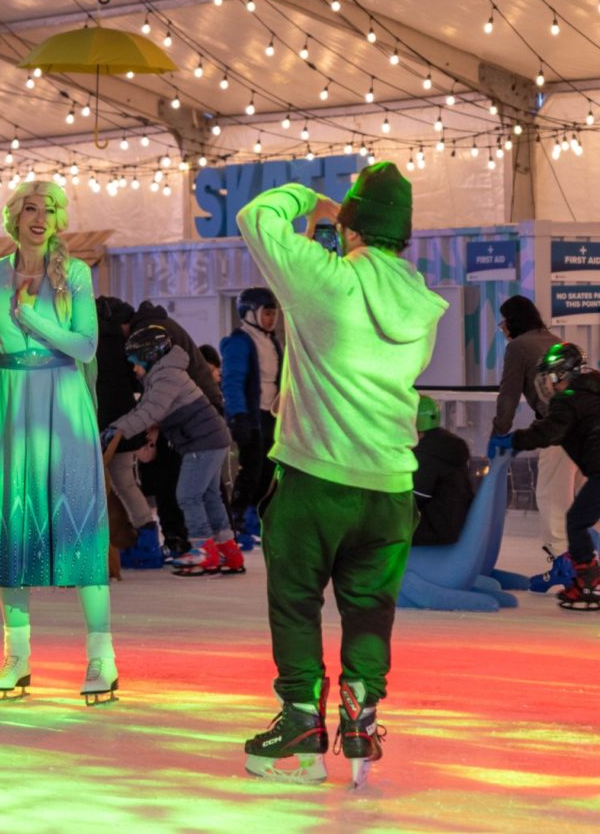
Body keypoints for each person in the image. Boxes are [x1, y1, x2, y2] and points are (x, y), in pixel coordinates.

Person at [237, 163, 447, 787]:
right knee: (369, 611)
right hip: (390, 487)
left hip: (316, 476)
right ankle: (361, 719)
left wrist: (312, 200)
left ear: (350, 223)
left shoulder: (324, 279)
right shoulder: (424, 308)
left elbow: (257, 218)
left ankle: (301, 727)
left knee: (297, 604)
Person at [0, 181, 116, 706]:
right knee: (10, 526)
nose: (40, 217)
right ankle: (17, 657)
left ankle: (102, 655)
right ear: (12, 217)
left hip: (64, 401)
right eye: (31, 208)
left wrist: (30, 317)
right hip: (8, 404)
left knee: (79, 522)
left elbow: (87, 344)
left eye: (49, 210)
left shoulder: (75, 273)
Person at [509, 343, 600, 613]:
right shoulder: (594, 390)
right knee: (590, 501)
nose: (547, 385)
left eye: (550, 378)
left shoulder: (567, 399)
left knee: (559, 502)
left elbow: (548, 431)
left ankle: (577, 573)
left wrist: (512, 439)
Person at [105, 325, 241, 577]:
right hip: (211, 439)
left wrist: (118, 430)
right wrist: (121, 425)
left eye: (136, 362)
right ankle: (228, 550)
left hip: (202, 441)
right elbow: (146, 408)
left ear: (150, 356)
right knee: (210, 496)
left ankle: (203, 550)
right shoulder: (166, 373)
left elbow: (151, 411)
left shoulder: (166, 376)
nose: (134, 369)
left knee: (188, 495)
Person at [486, 296, 586, 589]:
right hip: (585, 426)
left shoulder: (517, 347)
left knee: (550, 496)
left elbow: (508, 394)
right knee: (584, 493)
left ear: (513, 321)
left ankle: (563, 562)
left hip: (557, 427)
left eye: (504, 320)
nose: (503, 327)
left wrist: (498, 433)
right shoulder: (552, 339)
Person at [94, 296, 162, 569]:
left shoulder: (91, 342)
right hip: (125, 419)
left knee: (106, 484)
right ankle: (145, 540)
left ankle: (124, 544)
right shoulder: (121, 344)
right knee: (125, 481)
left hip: (101, 422)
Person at [220, 288, 281, 543]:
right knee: (252, 469)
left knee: (268, 469)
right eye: (265, 313)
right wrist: (239, 415)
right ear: (250, 313)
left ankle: (256, 516)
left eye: (272, 313)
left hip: (271, 414)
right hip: (250, 415)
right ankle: (239, 518)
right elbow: (232, 381)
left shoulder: (271, 341)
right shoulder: (240, 341)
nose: (270, 319)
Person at [411, 395, 473, 546]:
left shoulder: (427, 453)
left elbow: (412, 499)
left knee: (374, 529)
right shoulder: (445, 444)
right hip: (450, 523)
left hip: (437, 528)